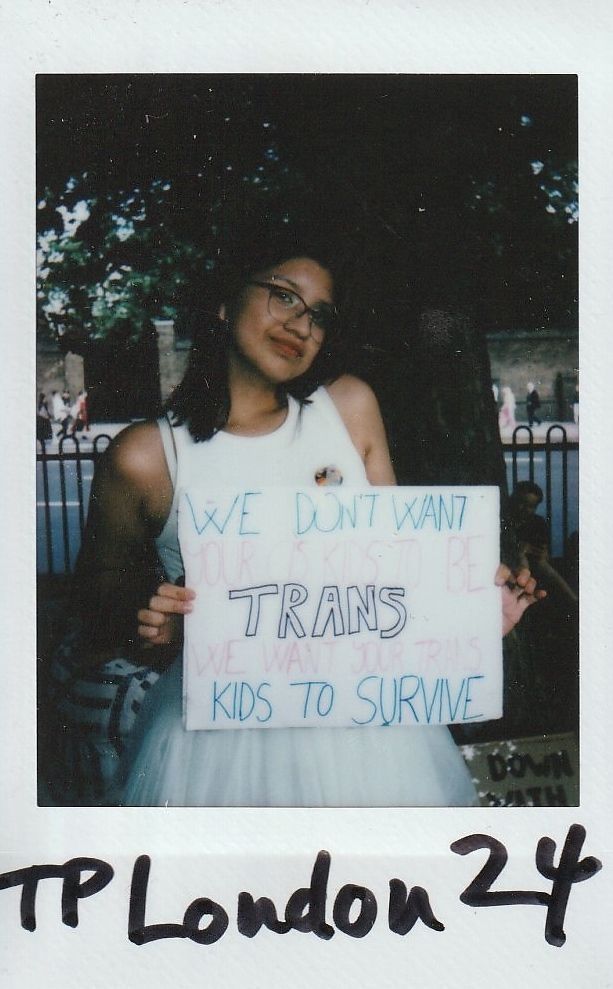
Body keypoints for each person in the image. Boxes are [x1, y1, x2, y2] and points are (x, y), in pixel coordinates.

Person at [48, 242, 543, 808]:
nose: (301, 325)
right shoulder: (147, 455)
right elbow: (98, 603)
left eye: (320, 315)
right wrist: (152, 619)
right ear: (223, 305)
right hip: (215, 754)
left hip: (375, 745)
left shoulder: (350, 409)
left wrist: (469, 619)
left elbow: (402, 576)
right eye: (283, 296)